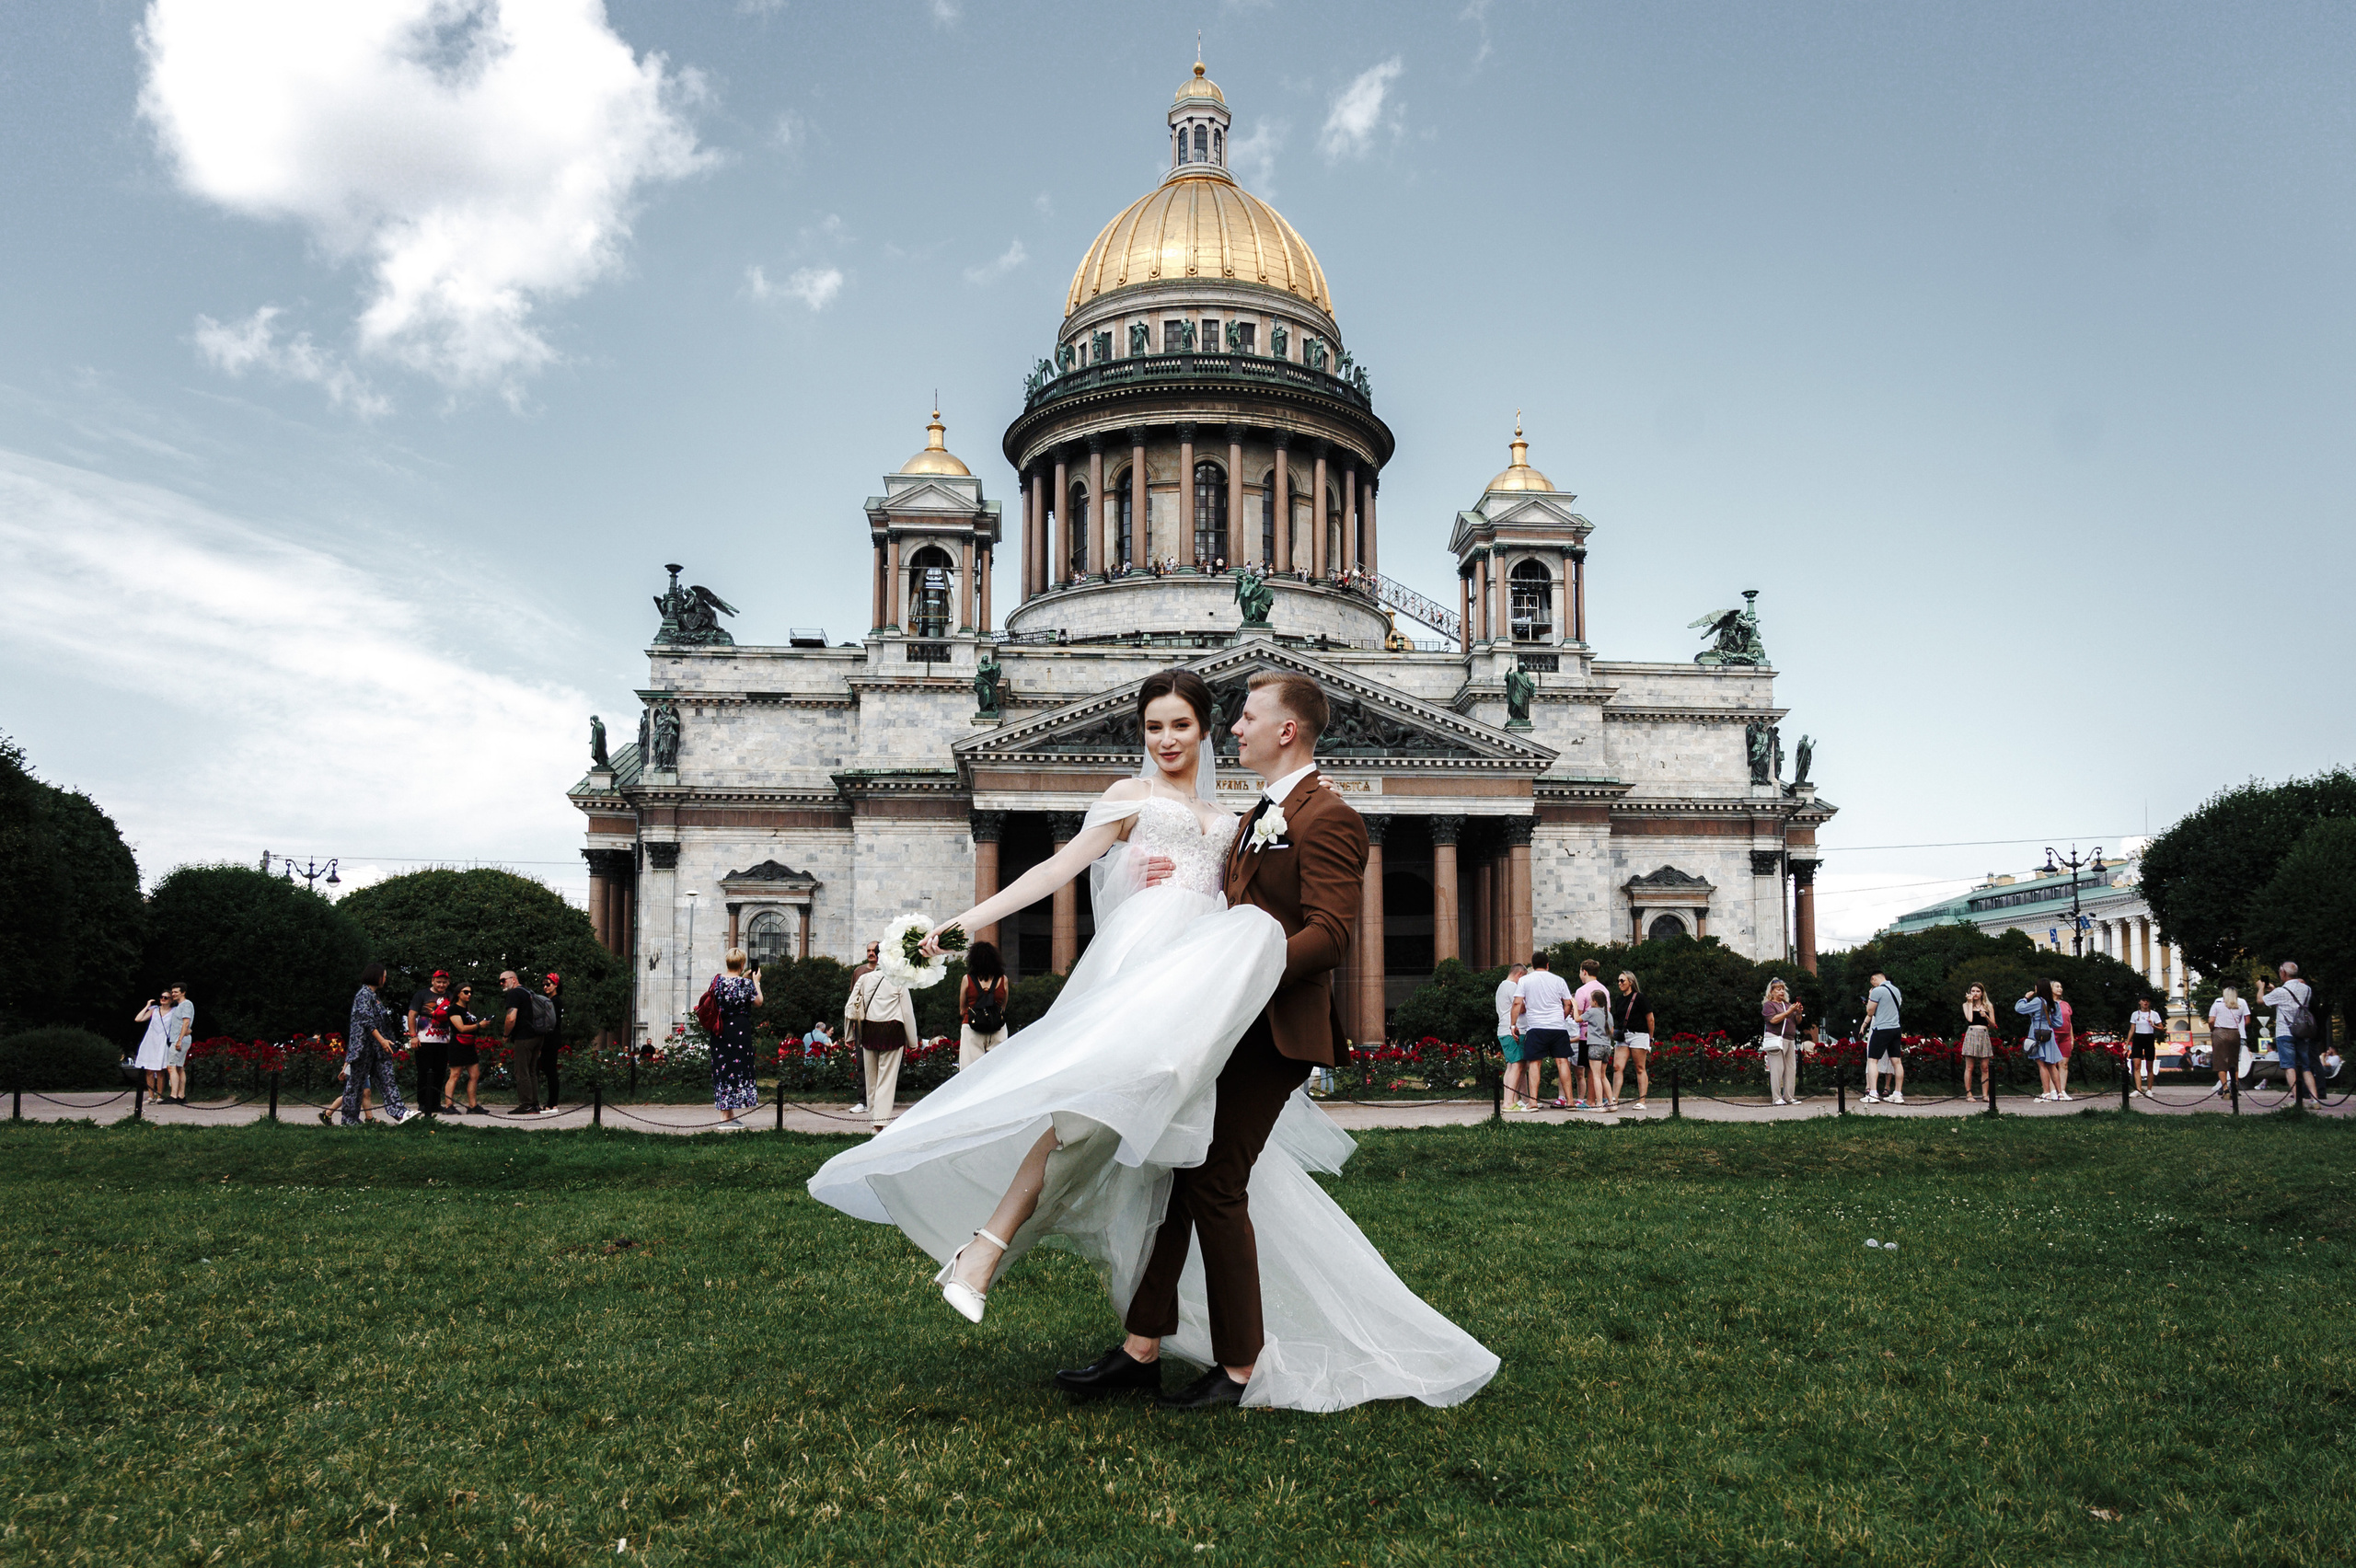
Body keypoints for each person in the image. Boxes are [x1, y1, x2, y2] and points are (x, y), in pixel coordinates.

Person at [806, 667, 1497, 1413]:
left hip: (1250, 1020)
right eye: (1155, 727)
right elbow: (1069, 870)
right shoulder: (1245, 814)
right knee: (1154, 1156)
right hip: (1184, 1001)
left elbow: (1319, 933)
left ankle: (1234, 1365)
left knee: (1206, 1180)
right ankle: (1111, 1328)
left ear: (1281, 730)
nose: (1227, 729)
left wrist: (1237, 956)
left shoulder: (1309, 814)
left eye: (1221, 721)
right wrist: (1130, 882)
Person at [844, 948, 917, 1133]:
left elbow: (850, 1007)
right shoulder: (900, 981)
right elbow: (907, 1013)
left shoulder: (865, 979)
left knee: (871, 1078)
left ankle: (874, 1120)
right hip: (893, 1032)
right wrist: (913, 1041)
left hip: (869, 1031)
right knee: (887, 1079)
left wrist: (849, 1035)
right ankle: (880, 1123)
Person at [335, 963, 416, 1126]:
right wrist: (382, 1039)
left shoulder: (374, 997)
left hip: (377, 1050)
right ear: (376, 976)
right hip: (363, 1049)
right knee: (355, 1085)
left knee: (387, 1079)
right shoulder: (364, 995)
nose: (385, 979)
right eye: (384, 975)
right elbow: (366, 1021)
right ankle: (349, 1120)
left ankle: (400, 1113)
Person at [1513, 952, 1576, 1110]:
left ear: (1532, 965)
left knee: (1535, 1063)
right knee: (1562, 1062)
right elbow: (1568, 1003)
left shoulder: (1525, 980)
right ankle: (1570, 1101)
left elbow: (1517, 1004)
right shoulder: (1559, 980)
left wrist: (1513, 1024)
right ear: (1548, 965)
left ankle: (1533, 1101)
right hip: (1557, 1026)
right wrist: (1561, 1017)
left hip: (1536, 1027)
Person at [708, 947, 763, 1128]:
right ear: (742, 964)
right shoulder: (745, 985)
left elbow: (723, 995)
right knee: (737, 1069)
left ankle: (729, 1114)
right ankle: (725, 1117)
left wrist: (744, 979)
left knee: (723, 1069)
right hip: (739, 1031)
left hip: (720, 1030)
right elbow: (759, 1001)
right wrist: (756, 982)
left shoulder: (716, 981)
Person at [2261, 963, 2324, 1105]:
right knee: (2306, 1067)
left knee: (2290, 1067)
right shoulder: (2307, 989)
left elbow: (2261, 1001)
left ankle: (2297, 1100)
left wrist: (2261, 988)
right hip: (2303, 1031)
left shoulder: (2280, 992)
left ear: (2283, 974)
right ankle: (2315, 1100)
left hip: (2285, 1032)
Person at [133, 983, 192, 1103]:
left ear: (171, 1000)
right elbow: (138, 1019)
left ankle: (161, 1096)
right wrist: (147, 1006)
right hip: (150, 1041)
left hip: (164, 1041)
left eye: (166, 997)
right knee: (149, 1070)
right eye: (162, 997)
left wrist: (186, 1032)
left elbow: (183, 1022)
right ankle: (151, 1096)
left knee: (162, 1070)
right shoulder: (154, 1010)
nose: (163, 999)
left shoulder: (175, 1010)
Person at [408, 971, 456, 1116]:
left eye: (444, 982)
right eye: (439, 981)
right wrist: (413, 1036)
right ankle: (423, 1103)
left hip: (443, 1041)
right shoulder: (421, 995)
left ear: (448, 983)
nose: (441, 985)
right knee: (424, 1072)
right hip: (425, 1040)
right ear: (433, 981)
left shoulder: (451, 996)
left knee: (440, 1072)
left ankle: (435, 1102)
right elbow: (412, 1014)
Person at [1492, 963, 1537, 1111]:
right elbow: (1521, 1007)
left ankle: (1512, 1099)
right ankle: (1508, 1102)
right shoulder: (1512, 987)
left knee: (1512, 1066)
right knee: (1517, 1065)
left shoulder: (1502, 986)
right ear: (1519, 975)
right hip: (1512, 1031)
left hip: (1504, 1030)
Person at [500, 968, 544, 1116]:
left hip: (523, 1037)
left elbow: (511, 1018)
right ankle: (534, 1104)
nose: (501, 983)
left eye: (503, 980)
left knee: (522, 1071)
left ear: (513, 979)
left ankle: (526, 1105)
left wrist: (506, 1034)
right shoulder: (528, 992)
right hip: (537, 1035)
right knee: (532, 1071)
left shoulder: (514, 993)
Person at [958, 941, 1011, 1066]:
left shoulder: (967, 979)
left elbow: (962, 1009)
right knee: (998, 1070)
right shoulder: (1003, 980)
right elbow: (1003, 1007)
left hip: (972, 1028)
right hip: (997, 1028)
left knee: (969, 1070)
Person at [1572, 960, 1614, 1111]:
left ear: (1584, 972)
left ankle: (1592, 1101)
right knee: (1601, 1074)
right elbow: (1606, 1012)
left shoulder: (1582, 990)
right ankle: (1608, 1100)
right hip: (1605, 1039)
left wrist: (1574, 1007)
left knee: (1591, 1071)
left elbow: (1579, 1015)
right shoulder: (1605, 990)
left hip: (1588, 1037)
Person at [2016, 980, 2068, 1101]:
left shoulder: (2037, 1001)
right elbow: (2059, 1022)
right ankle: (2059, 1093)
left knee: (2041, 1064)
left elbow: (2019, 1008)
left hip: (2037, 1032)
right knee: (2051, 1064)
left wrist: (2025, 998)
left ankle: (2046, 1093)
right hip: (2049, 1033)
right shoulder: (2053, 1003)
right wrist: (2048, 1024)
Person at [1613, 971, 1656, 1111]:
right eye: (1619, 981)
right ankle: (1614, 1099)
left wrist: (1650, 1037)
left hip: (1639, 1034)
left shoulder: (1640, 998)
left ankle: (1642, 1100)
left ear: (1630, 982)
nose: (1620, 983)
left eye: (1622, 981)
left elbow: (1650, 1018)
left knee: (1639, 1067)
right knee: (1617, 1067)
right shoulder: (1619, 1000)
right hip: (1624, 1036)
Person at [1861, 970, 1905, 1104]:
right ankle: (1897, 1093)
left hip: (1881, 1028)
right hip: (1895, 1028)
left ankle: (1873, 1093)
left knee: (1872, 1060)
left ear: (1874, 978)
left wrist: (1870, 997)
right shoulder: (1896, 990)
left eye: (1872, 982)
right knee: (1896, 1061)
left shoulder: (1877, 991)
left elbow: (1870, 1010)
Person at [445, 983, 491, 1113]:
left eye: (470, 992)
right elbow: (461, 1028)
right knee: (455, 1074)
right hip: (458, 1044)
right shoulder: (453, 1009)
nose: (469, 994)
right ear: (458, 993)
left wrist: (481, 1025)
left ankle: (472, 1105)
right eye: (466, 992)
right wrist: (478, 1025)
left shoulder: (466, 1010)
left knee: (475, 1075)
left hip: (469, 1044)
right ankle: (449, 1105)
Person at [847, 940, 880, 1115]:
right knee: (861, 1062)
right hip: (862, 1023)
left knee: (879, 1062)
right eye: (868, 950)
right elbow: (853, 1000)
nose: (871, 953)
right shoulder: (858, 972)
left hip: (881, 1022)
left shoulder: (885, 972)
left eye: (874, 950)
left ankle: (879, 1099)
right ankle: (862, 1100)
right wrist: (852, 1025)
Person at [1761, 978, 1803, 1106]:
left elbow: (1798, 1021)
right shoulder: (1769, 1005)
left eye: (1783, 989)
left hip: (1790, 1039)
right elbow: (1773, 1020)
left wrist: (1798, 1013)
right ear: (1772, 992)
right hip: (1775, 1038)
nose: (1781, 992)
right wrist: (1789, 1012)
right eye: (1778, 989)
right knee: (1777, 1069)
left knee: (1791, 1069)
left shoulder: (1788, 1004)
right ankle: (1776, 1098)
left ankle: (1789, 1096)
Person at [2206, 986, 2250, 1100]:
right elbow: (2247, 1020)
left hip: (2219, 1032)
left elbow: (2211, 1020)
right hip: (2235, 1033)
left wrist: (2213, 1029)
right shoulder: (2241, 1004)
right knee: (2234, 1062)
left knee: (2220, 1062)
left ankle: (2225, 1089)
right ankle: (2235, 1087)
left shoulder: (2217, 1004)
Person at [1959, 983, 1998, 1103]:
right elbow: (1970, 1018)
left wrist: (1986, 1016)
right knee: (1969, 1067)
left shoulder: (1988, 1006)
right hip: (1972, 1033)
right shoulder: (1966, 1005)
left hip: (1984, 1034)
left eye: (1977, 991)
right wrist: (1970, 1003)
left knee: (1985, 1067)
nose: (1975, 993)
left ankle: (1985, 1094)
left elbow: (1993, 1025)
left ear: (1982, 993)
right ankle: (1968, 1093)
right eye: (1973, 991)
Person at [2126, 996, 2164, 1098]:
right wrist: (2127, 1043)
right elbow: (2132, 1029)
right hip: (2138, 1038)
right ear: (2140, 1002)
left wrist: (2153, 1025)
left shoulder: (2154, 1014)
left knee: (2149, 1066)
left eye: (2147, 1001)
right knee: (2137, 1065)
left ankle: (2149, 1089)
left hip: (2149, 1038)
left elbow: (2162, 1028)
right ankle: (2138, 1089)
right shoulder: (2135, 1014)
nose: (2145, 1003)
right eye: (2143, 1001)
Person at [539, 972, 566, 1114]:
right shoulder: (552, 1001)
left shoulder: (554, 1001)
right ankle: (551, 1102)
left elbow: (551, 1022)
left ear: (555, 985)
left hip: (551, 1037)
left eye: (548, 984)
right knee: (548, 1068)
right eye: (543, 985)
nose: (545, 987)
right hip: (551, 1037)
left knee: (550, 1070)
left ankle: (552, 1104)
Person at [2050, 978, 2076, 1099]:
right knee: (2052, 1063)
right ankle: (2053, 1091)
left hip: (2065, 1035)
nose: (2060, 989)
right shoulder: (2047, 1003)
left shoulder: (2065, 1004)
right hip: (2053, 1034)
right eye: (2057, 986)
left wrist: (2071, 1037)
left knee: (2064, 1064)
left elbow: (2069, 1022)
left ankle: (2063, 1090)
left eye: (2061, 986)